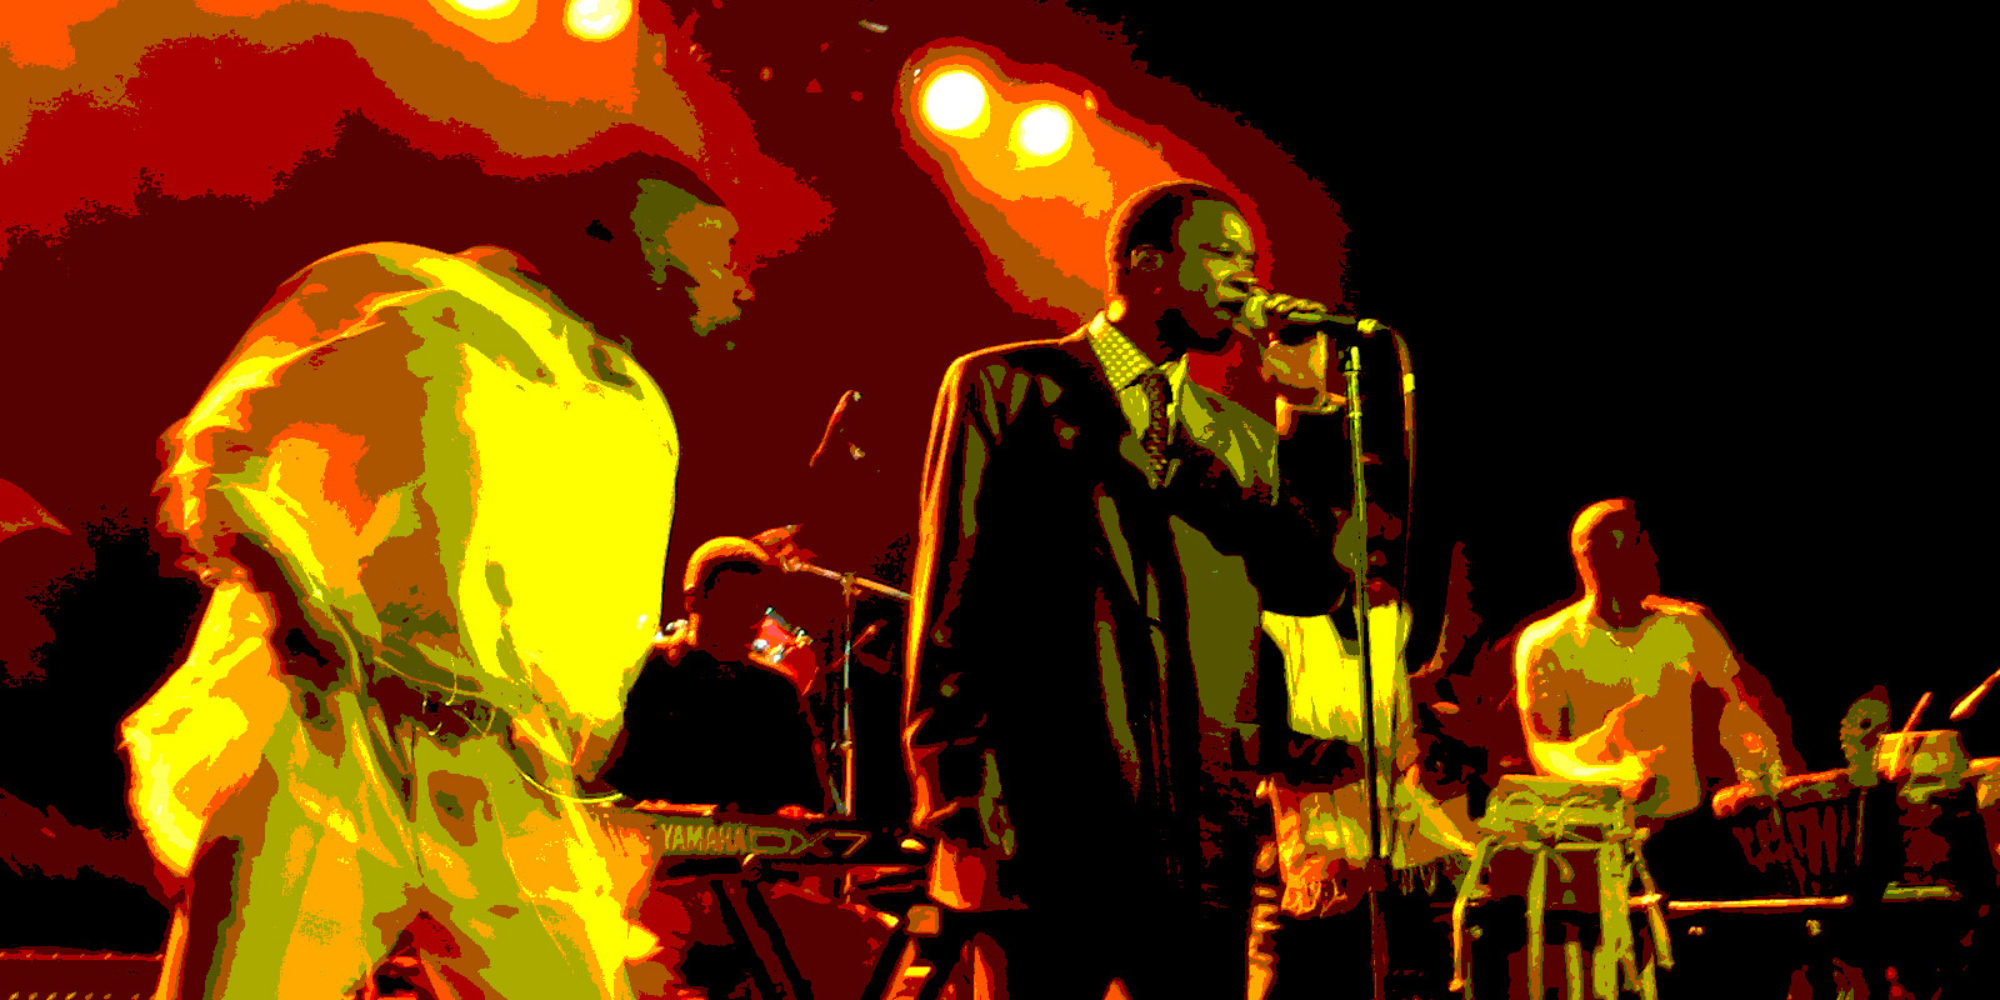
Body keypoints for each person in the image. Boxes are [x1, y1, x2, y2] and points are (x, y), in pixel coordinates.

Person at [121, 242, 679, 999]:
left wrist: (563, 731)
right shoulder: (411, 322)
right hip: (335, 741)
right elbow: (213, 457)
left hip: (489, 763)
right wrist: (294, 606)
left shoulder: (583, 401)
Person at [902, 179, 1345, 999]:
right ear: (1145, 263)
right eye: (1221, 255)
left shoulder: (1240, 439)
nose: (1245, 281)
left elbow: (1311, 582)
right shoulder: (1008, 387)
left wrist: (1309, 408)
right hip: (1044, 823)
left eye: (1252, 262)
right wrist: (959, 802)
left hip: (1200, 845)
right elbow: (952, 602)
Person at [1512, 498, 1799, 887]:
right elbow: (1544, 749)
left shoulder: (1687, 625)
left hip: (1687, 830)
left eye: (1642, 543)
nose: (1645, 556)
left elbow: (1740, 709)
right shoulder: (1546, 642)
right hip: (1596, 840)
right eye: (1622, 546)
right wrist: (1611, 780)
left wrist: (1764, 776)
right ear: (1586, 559)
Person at [604, 530, 829, 814]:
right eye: (733, 602)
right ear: (692, 600)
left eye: (757, 605)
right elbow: (607, 788)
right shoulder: (650, 673)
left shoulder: (777, 690)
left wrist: (793, 812)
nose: (750, 618)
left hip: (744, 843)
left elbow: (809, 798)